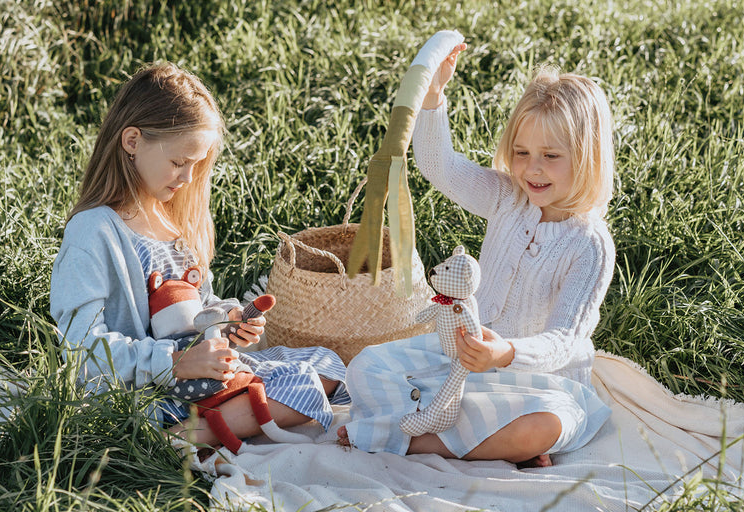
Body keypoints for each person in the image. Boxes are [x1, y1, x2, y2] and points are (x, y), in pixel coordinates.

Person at [337, 43, 615, 467]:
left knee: (543, 427)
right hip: (466, 362)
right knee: (366, 365)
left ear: (588, 157)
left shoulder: (589, 244)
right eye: (521, 153)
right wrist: (433, 98)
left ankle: (415, 442)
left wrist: (507, 354)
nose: (532, 169)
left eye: (551, 156)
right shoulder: (508, 197)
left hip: (540, 384)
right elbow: (439, 166)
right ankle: (480, 439)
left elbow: (564, 341)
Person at [50, 63, 349, 448]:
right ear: (132, 141)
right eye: (179, 162)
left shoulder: (171, 219)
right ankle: (180, 438)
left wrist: (228, 321)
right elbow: (79, 347)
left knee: (327, 363)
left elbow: (198, 307)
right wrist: (174, 364)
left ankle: (221, 415)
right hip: (144, 390)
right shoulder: (94, 230)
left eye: (197, 165)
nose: (188, 178)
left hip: (197, 374)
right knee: (304, 386)